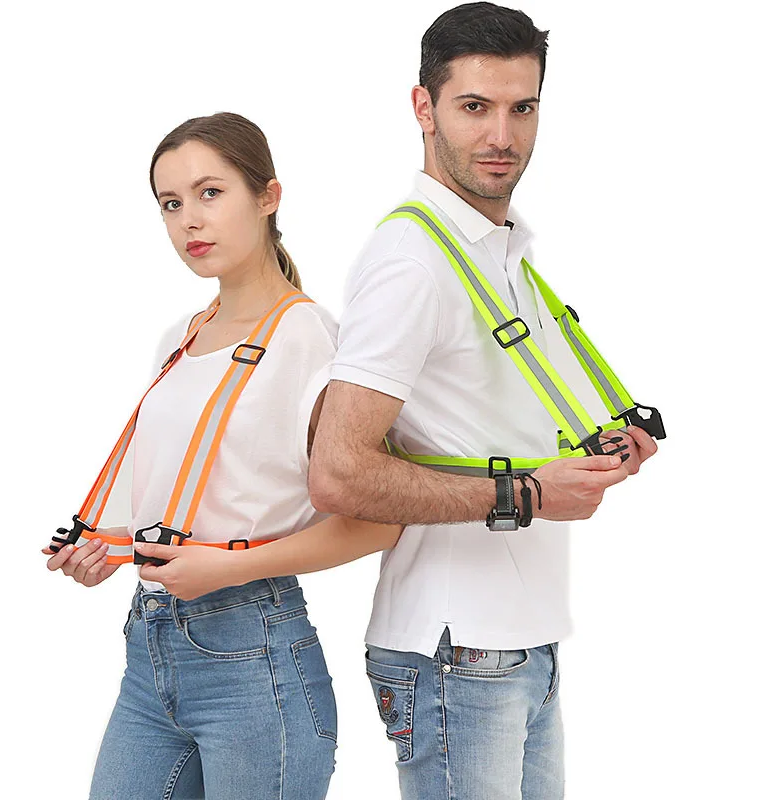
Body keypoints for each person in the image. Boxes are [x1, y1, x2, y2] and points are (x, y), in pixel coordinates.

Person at [308, 4, 659, 799]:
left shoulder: (502, 251)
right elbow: (337, 472)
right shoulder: (412, 262)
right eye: (474, 106)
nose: (502, 135)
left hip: (523, 638)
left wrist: (593, 458)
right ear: (423, 107)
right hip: (455, 650)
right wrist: (530, 494)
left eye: (522, 107)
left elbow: (486, 424)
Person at [41, 111, 402, 800]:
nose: (190, 221)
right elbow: (202, 500)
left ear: (268, 196)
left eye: (210, 193)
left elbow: (378, 523)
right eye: (171, 204)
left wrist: (228, 567)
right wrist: (108, 550)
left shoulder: (312, 341)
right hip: (149, 651)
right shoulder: (181, 338)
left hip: (253, 656)